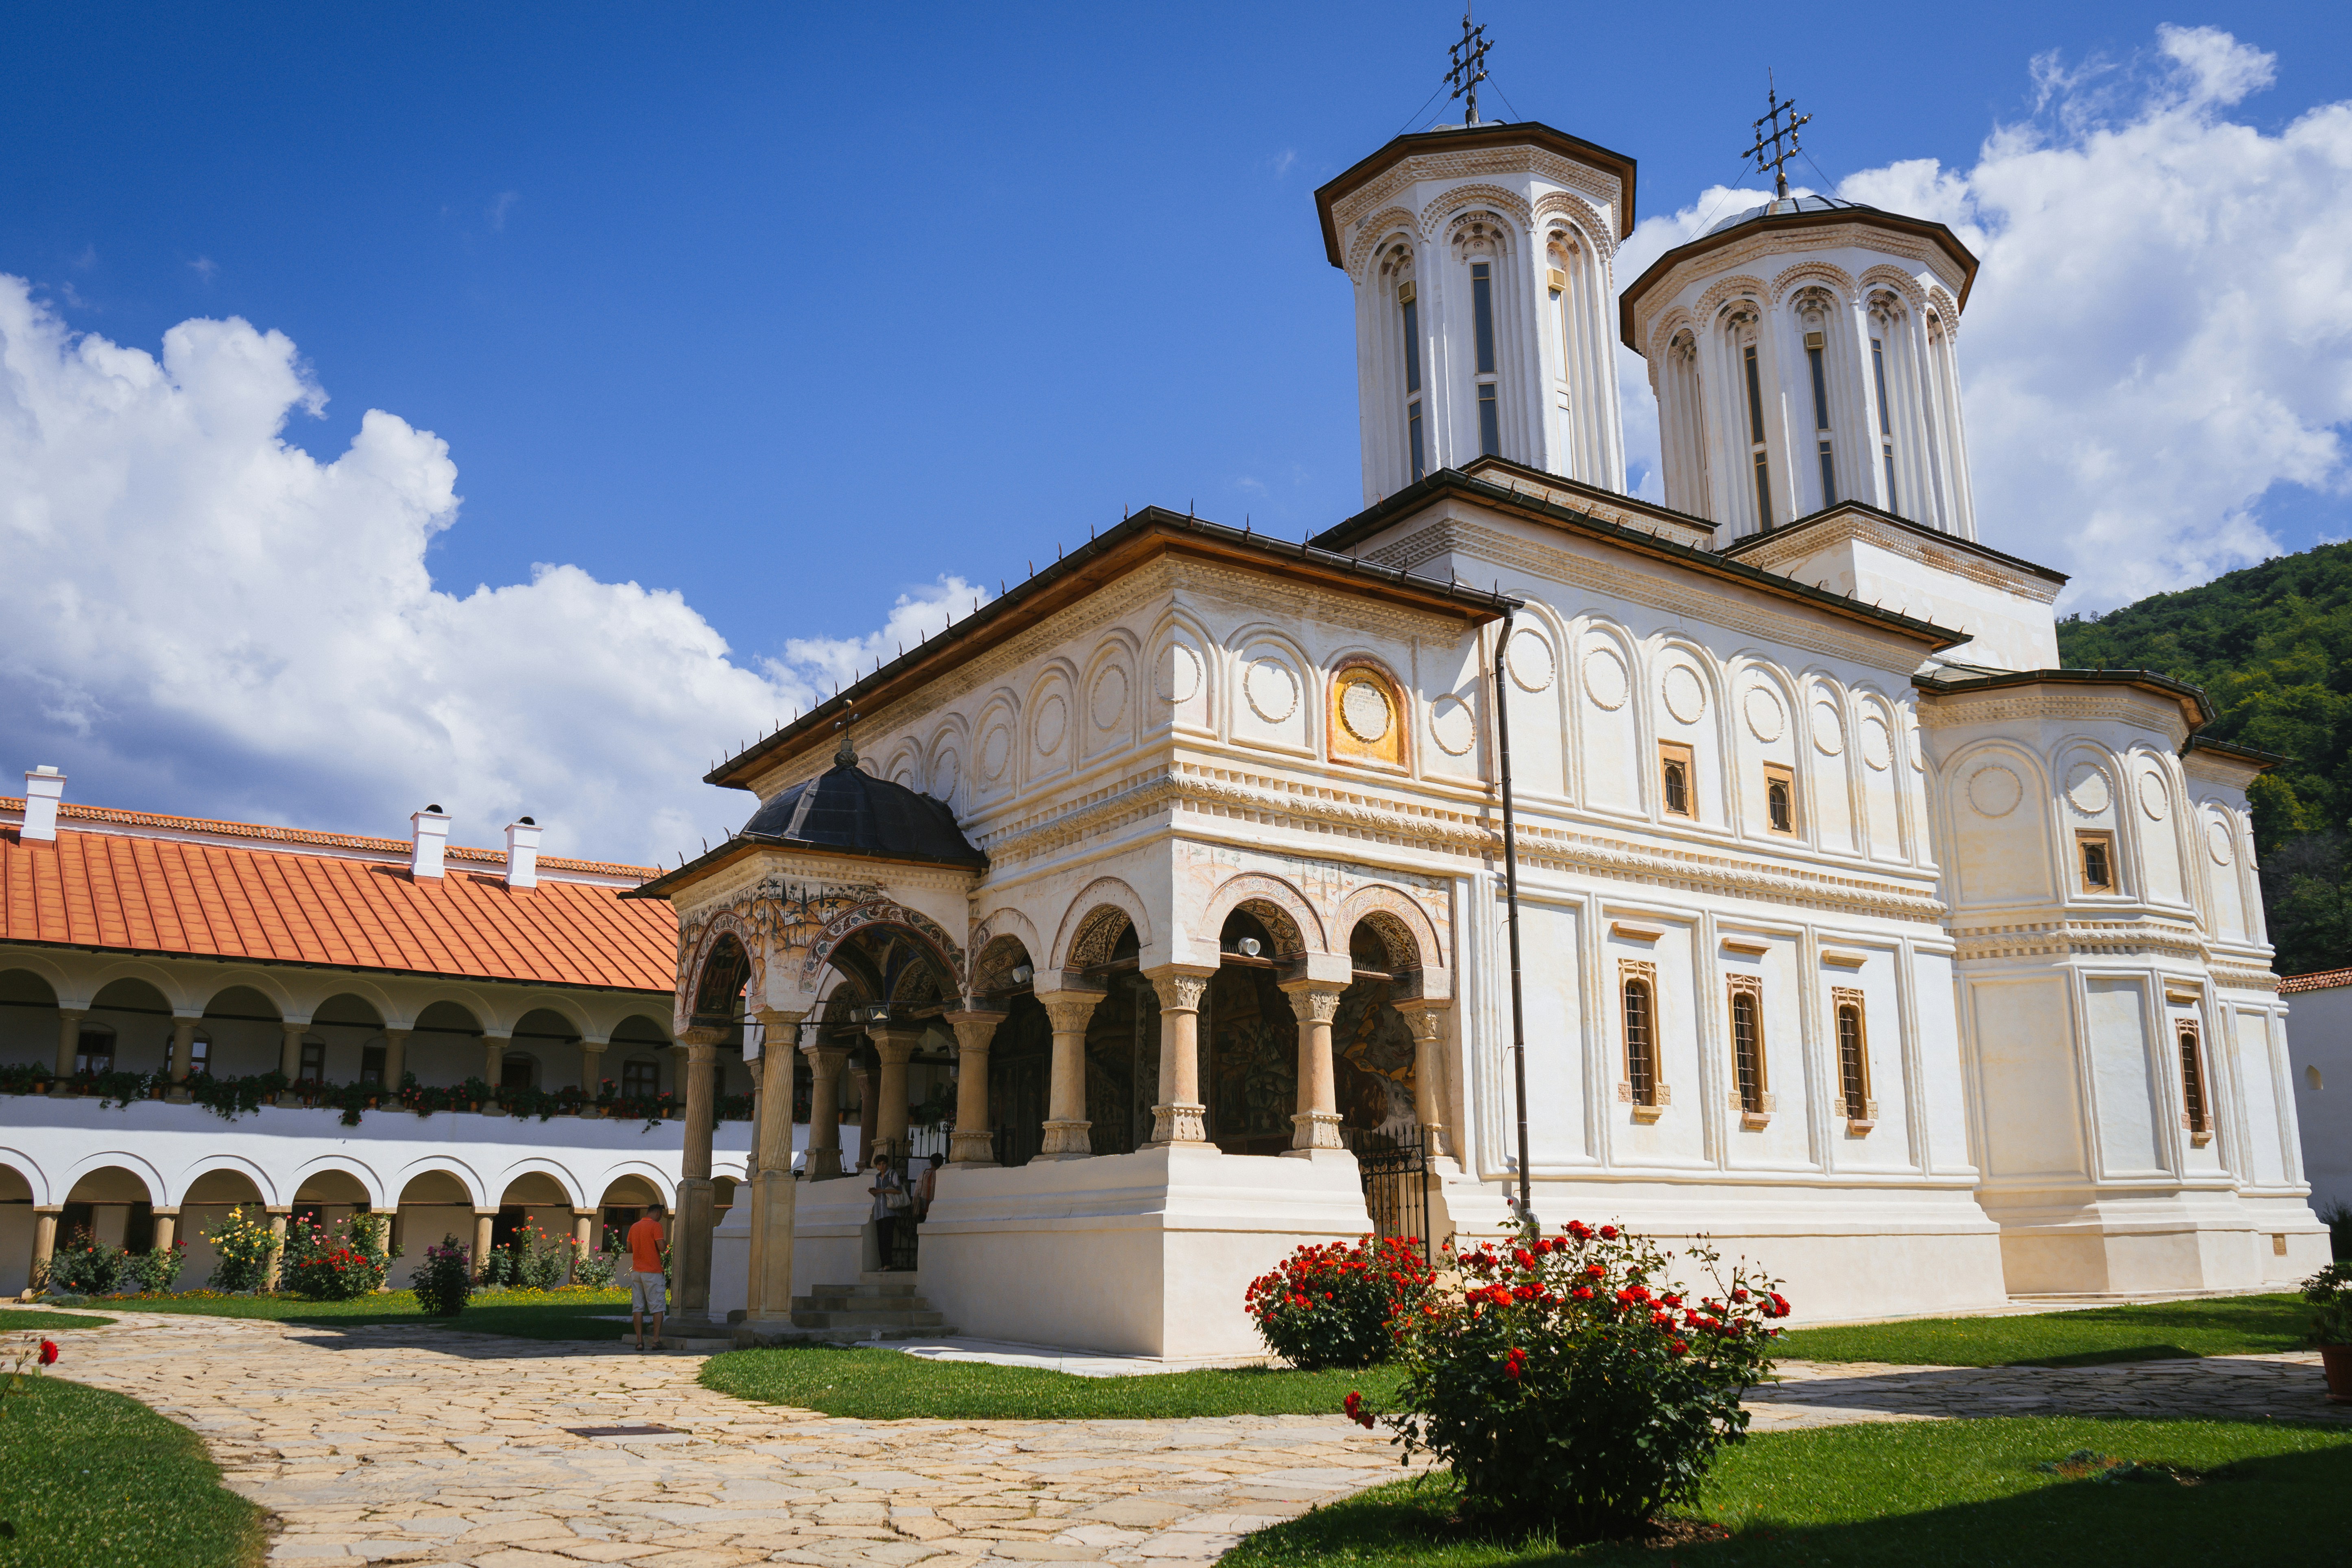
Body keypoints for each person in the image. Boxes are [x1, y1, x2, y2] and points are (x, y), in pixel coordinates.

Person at [626, 1200, 668, 1352]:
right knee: (657, 1307)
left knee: (638, 1307)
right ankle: (656, 1341)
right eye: (660, 1216)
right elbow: (661, 1247)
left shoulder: (635, 1226)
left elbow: (629, 1248)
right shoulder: (656, 1226)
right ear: (657, 1213)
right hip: (653, 1271)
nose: (660, 1219)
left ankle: (639, 1341)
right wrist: (665, 1243)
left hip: (637, 1271)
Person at [866, 1155, 909, 1270]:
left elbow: (898, 1190)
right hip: (879, 1211)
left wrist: (883, 1191)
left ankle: (888, 1264)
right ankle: (883, 1263)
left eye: (884, 1164)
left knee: (887, 1238)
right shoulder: (877, 1177)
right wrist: (874, 1192)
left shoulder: (892, 1174)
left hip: (889, 1211)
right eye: (879, 1165)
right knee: (880, 1239)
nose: (882, 1167)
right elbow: (878, 1193)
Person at [914, 1152, 943, 1222]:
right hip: (939, 1206)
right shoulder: (943, 1175)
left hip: (924, 1206)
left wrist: (914, 1203)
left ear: (931, 1163)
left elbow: (917, 1190)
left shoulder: (924, 1174)